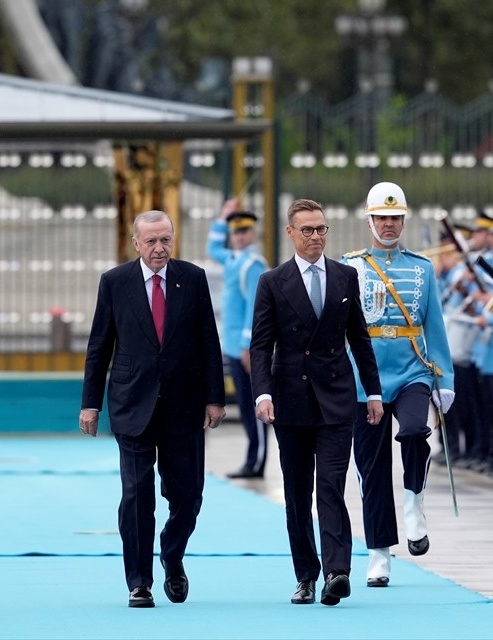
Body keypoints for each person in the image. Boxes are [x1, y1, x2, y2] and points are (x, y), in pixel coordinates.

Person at [79, 210, 227, 609]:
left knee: (188, 496)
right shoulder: (115, 283)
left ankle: (173, 555)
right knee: (137, 496)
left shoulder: (192, 278)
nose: (159, 248)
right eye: (151, 241)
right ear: (136, 243)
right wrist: (90, 404)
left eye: (166, 240)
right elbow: (99, 347)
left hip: (185, 405)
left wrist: (216, 397)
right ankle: (139, 582)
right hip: (133, 405)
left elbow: (208, 341)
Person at [249, 198, 384, 607]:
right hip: (290, 402)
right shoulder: (273, 282)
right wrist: (263, 392)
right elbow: (261, 345)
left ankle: (337, 571)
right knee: (296, 493)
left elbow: (359, 338)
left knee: (330, 485)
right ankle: (306, 576)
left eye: (321, 229)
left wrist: (373, 392)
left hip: (336, 399)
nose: (315, 237)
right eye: (307, 230)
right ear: (291, 233)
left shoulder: (345, 277)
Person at [342, 182, 454, 588]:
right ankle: (379, 552)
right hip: (363, 376)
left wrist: (444, 378)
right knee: (370, 468)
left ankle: (414, 500)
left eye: (395, 218)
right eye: (382, 218)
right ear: (369, 220)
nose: (388, 225)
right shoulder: (350, 266)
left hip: (412, 369)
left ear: (403, 220)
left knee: (412, 432)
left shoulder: (421, 268)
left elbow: (434, 327)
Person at [207, 198, 268, 478]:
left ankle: (257, 461)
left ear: (252, 232)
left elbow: (256, 308)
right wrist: (223, 216)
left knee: (255, 404)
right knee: (244, 404)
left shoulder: (253, 265)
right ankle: (252, 458)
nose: (240, 236)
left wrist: (248, 345)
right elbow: (212, 248)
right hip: (231, 344)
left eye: (244, 231)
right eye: (235, 231)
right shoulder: (234, 259)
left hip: (244, 347)